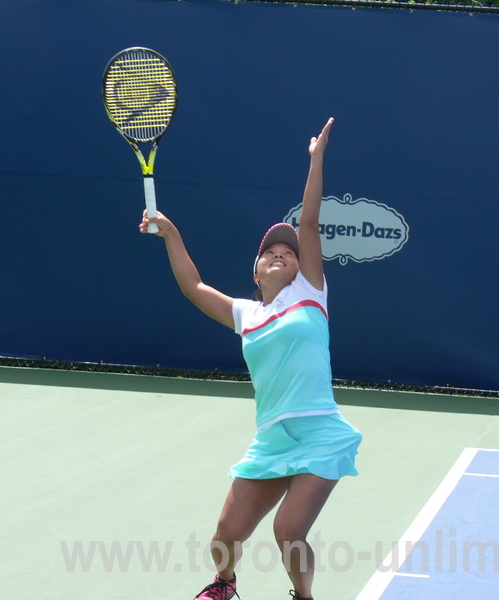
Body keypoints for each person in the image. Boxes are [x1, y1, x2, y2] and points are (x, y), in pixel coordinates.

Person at [139, 117, 362, 600]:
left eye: (289, 252)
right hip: (271, 438)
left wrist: (316, 159)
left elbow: (308, 220)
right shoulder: (246, 313)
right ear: (256, 270)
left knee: (288, 530)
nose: (281, 254)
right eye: (270, 253)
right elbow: (195, 287)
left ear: (301, 267)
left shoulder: (311, 293)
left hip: (320, 431)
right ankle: (224, 585)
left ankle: (304, 597)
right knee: (225, 535)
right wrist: (170, 233)